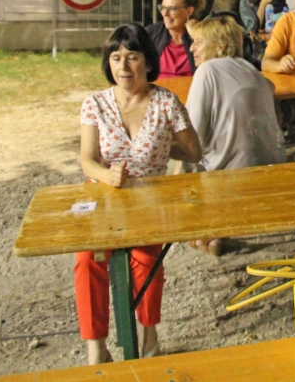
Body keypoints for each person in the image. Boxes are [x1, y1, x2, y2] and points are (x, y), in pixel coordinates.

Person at [75, 24, 202, 365]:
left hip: (149, 200)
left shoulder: (166, 102)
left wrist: (162, 149)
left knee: (146, 261)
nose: (123, 66)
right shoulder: (95, 104)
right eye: (116, 58)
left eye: (132, 57)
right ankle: (96, 348)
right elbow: (87, 159)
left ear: (147, 61)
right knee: (88, 260)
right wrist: (107, 175)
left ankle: (148, 336)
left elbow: (194, 151)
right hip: (102, 197)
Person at [182, 15, 286, 256]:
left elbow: (192, 135)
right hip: (270, 171)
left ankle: (207, 228)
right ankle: (212, 228)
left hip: (230, 180)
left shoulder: (207, 70)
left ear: (221, 46)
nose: (191, 48)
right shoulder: (252, 70)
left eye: (198, 42)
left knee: (173, 158)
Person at [145, 0, 205, 78]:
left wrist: (195, 35)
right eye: (163, 8)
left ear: (189, 11)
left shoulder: (203, 35)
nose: (165, 14)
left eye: (172, 9)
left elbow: (211, 68)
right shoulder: (151, 32)